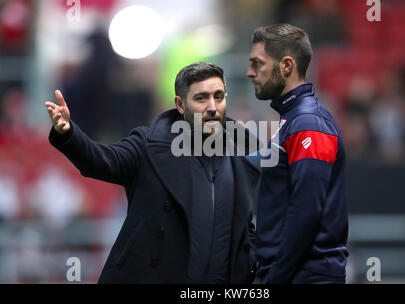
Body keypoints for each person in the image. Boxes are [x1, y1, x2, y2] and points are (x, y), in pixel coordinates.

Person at [45, 62, 260, 283]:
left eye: (219, 96)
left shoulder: (243, 151)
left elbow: (250, 224)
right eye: (201, 98)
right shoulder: (148, 146)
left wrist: (249, 262)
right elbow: (100, 161)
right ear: (180, 104)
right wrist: (69, 133)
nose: (213, 107)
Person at [247, 24, 349, 284]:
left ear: (287, 66)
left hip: (303, 277)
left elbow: (307, 210)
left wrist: (274, 279)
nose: (250, 73)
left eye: (257, 64)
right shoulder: (292, 121)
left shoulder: (308, 123)